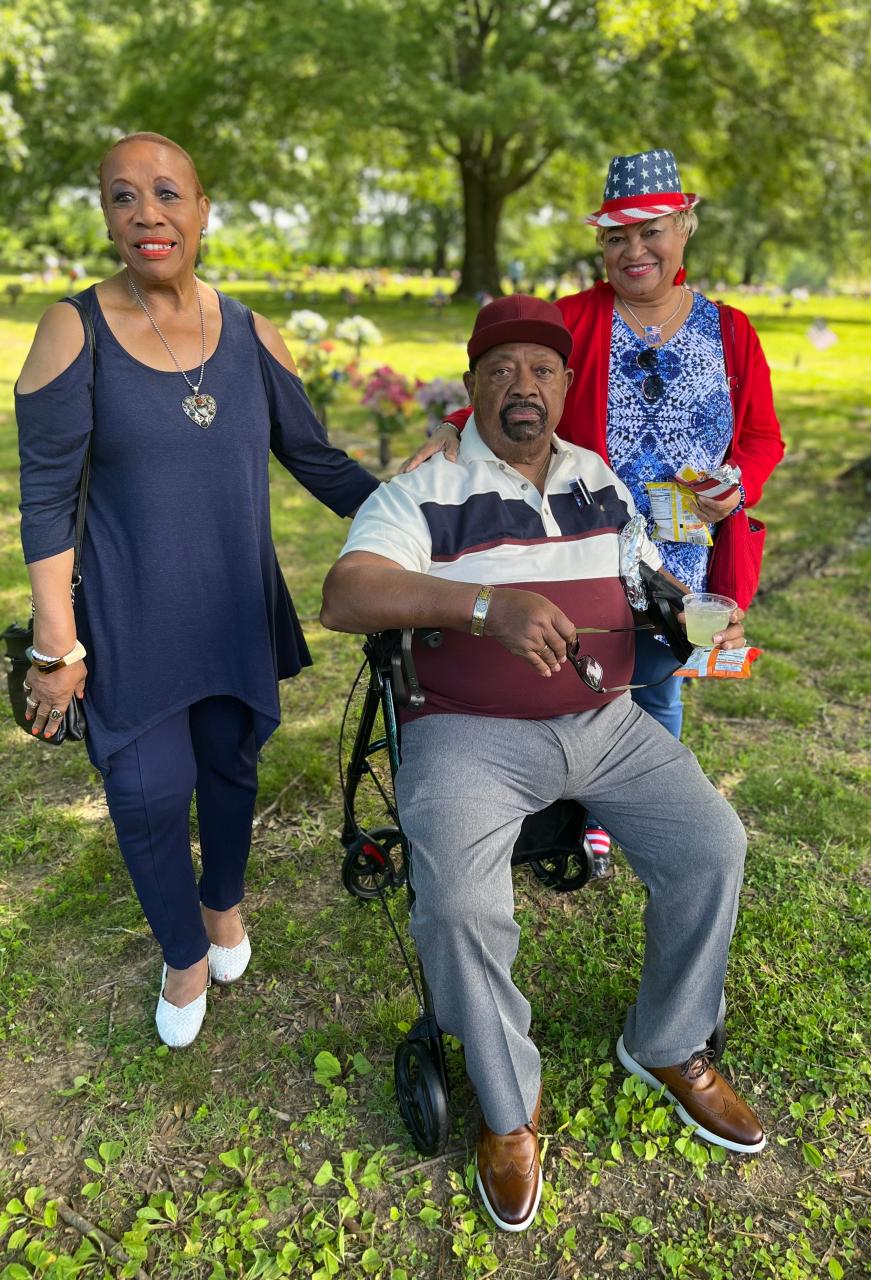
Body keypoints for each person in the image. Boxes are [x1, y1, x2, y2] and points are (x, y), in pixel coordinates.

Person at [321, 296, 766, 1235]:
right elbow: (347, 592)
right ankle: (509, 1108)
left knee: (712, 845)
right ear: (473, 384)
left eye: (542, 371)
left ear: (566, 386)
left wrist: (697, 612)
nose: (523, 387)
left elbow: (644, 575)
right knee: (459, 903)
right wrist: (487, 609)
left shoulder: (597, 478)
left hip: (604, 718)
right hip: (467, 728)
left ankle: (667, 1042)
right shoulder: (426, 488)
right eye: (502, 370)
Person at [15, 132, 378, 1049]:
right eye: (123, 197)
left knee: (228, 766)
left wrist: (428, 500)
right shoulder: (74, 327)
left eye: (167, 193)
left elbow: (319, 463)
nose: (147, 214)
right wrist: (55, 643)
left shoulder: (254, 331)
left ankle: (222, 905)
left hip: (229, 608)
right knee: (145, 790)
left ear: (204, 209)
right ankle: (182, 952)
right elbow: (47, 497)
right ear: (106, 216)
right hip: (129, 614)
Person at [406, 149, 784, 741]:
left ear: (683, 230)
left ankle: (628, 804)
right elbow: (515, 381)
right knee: (580, 674)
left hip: (684, 550)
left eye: (650, 232)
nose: (633, 252)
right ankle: (570, 804)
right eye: (615, 238)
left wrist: (736, 489)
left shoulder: (730, 330)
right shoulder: (574, 319)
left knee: (660, 685)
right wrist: (455, 423)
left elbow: (763, 437)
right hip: (584, 538)